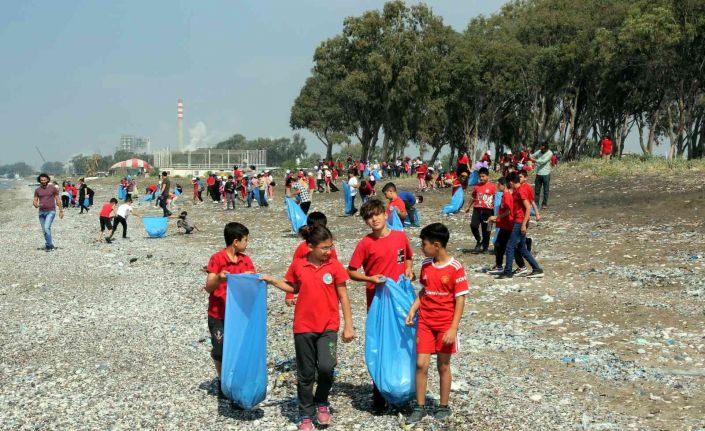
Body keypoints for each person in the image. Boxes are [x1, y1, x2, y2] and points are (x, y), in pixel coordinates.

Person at [261, 225, 354, 430]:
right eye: (324, 248)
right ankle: (305, 413)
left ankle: (321, 402)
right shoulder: (298, 265)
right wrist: (273, 281)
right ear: (310, 246)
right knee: (305, 373)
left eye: (330, 247)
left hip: (328, 326)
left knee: (327, 367)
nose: (328, 251)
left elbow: (344, 296)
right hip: (303, 327)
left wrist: (349, 325)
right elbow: (293, 287)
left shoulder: (335, 266)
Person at [347, 198, 414, 413]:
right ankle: (379, 395)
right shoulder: (365, 243)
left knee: (404, 343)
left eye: (376, 214)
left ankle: (405, 390)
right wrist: (370, 279)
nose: (373, 219)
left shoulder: (400, 236)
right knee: (381, 346)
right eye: (368, 217)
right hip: (377, 303)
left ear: (386, 215)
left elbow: (409, 259)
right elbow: (351, 271)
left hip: (401, 301)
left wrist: (409, 270)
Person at [405, 223, 468, 424]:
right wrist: (413, 309)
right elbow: (424, 291)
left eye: (424, 244)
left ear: (437, 245)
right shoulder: (425, 264)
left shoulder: (456, 268)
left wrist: (453, 327)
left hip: (445, 325)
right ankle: (420, 406)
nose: (421, 247)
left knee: (443, 365)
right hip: (425, 321)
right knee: (421, 364)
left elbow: (460, 299)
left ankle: (443, 405)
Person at [203, 222, 255, 396]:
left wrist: (251, 278)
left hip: (240, 315)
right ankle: (222, 379)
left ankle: (236, 379)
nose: (247, 244)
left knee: (239, 349)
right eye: (245, 240)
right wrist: (219, 278)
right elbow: (209, 287)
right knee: (219, 350)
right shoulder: (217, 259)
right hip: (218, 314)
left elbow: (253, 285)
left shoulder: (245, 260)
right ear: (235, 241)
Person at [285, 212, 339, 306]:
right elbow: (293, 273)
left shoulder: (329, 248)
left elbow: (335, 268)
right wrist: (289, 295)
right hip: (308, 292)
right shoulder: (302, 248)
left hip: (327, 290)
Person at [496, 173, 543, 279]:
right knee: (521, 248)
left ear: (511, 182)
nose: (509, 186)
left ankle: (507, 272)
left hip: (520, 222)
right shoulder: (517, 191)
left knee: (510, 246)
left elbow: (527, 207)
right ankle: (537, 269)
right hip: (518, 221)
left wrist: (523, 224)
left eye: (509, 184)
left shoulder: (521, 191)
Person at [465, 167, 496, 253]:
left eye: (483, 176)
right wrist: (468, 206)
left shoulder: (492, 187)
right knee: (473, 225)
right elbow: (473, 197)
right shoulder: (477, 186)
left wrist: (497, 212)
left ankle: (485, 247)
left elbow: (496, 199)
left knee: (487, 230)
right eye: (480, 176)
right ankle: (478, 240)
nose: (481, 178)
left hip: (488, 211)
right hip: (477, 209)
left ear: (487, 176)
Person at [487, 177, 513, 273]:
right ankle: (499, 265)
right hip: (503, 224)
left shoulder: (507, 196)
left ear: (504, 185)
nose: (497, 186)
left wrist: (496, 218)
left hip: (508, 225)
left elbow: (508, 211)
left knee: (509, 246)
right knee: (499, 245)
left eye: (499, 184)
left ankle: (507, 267)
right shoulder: (503, 196)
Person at [33, 173, 63, 251]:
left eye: (44, 180)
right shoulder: (37, 190)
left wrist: (61, 211)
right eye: (41, 180)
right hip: (41, 212)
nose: (43, 181)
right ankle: (50, 244)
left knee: (47, 228)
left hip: (51, 211)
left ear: (48, 180)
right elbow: (35, 200)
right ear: (39, 181)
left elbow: (58, 199)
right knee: (44, 230)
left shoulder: (53, 188)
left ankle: (48, 246)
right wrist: (36, 205)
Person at [530, 143, 553, 210]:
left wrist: (534, 160)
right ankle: (536, 204)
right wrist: (530, 156)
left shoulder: (550, 153)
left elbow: (543, 161)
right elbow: (533, 155)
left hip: (546, 173)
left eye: (543, 149)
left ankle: (544, 204)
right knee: (537, 190)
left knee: (546, 190)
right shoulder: (540, 151)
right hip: (538, 173)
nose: (541, 150)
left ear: (546, 148)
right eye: (541, 148)